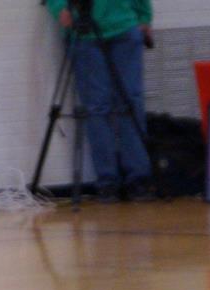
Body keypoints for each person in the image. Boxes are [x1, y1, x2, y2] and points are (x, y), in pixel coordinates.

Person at [43, 0, 155, 202]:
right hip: (84, 33)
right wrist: (60, 8)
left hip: (124, 28)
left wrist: (144, 16)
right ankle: (107, 180)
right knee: (96, 107)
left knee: (130, 102)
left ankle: (139, 177)